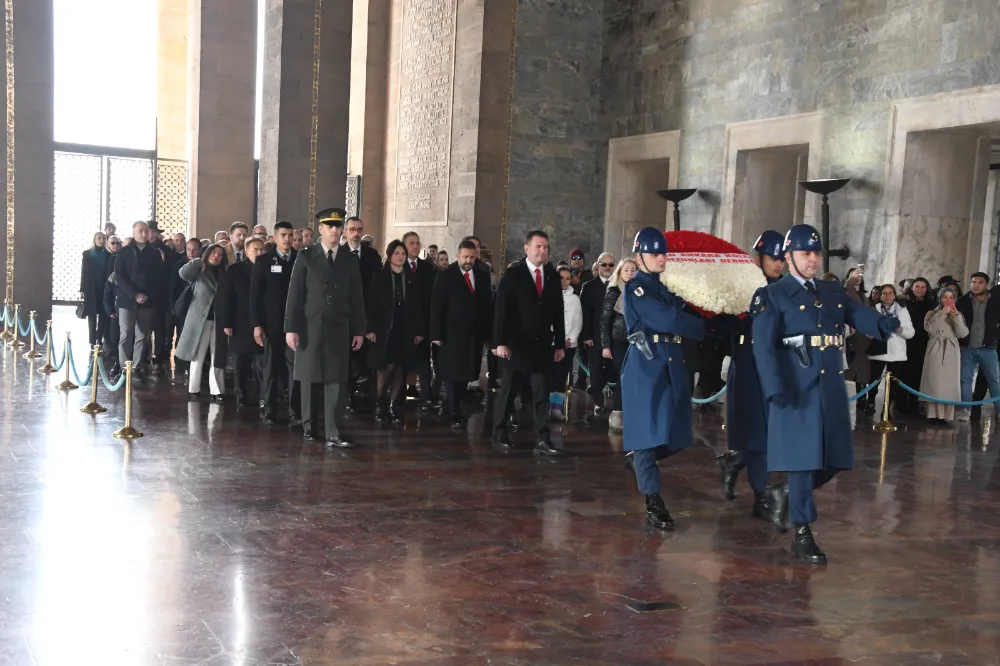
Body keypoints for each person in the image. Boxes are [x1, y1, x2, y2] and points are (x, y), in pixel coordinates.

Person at [753, 224, 898, 564]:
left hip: (830, 386)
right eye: (806, 253)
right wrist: (774, 388)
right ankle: (803, 532)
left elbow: (856, 312)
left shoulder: (831, 291)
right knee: (803, 463)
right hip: (795, 387)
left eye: (817, 253)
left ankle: (786, 494)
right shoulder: (772, 296)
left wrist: (880, 324)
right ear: (789, 258)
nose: (814, 259)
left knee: (835, 459)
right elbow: (764, 348)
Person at [619, 228, 706, 530]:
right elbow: (668, 319)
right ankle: (653, 501)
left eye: (663, 253)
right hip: (646, 365)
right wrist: (701, 328)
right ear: (640, 256)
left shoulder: (665, 287)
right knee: (646, 434)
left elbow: (683, 310)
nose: (660, 258)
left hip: (670, 362)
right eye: (654, 253)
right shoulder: (637, 288)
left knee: (677, 434)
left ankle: (640, 459)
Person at [284, 207, 366, 448]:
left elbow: (356, 297)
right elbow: (295, 295)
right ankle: (309, 426)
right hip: (310, 326)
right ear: (320, 229)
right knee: (309, 378)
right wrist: (291, 327)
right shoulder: (307, 256)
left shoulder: (349, 259)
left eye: (338, 226)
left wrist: (359, 329)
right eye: (329, 226)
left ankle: (333, 431)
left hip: (338, 327)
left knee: (336, 380)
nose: (334, 230)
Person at [717, 230, 785, 518]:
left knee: (767, 436)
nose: (779, 264)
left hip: (777, 368)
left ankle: (736, 462)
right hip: (749, 365)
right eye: (773, 258)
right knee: (759, 434)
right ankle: (760, 495)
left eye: (783, 258)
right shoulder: (745, 288)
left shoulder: (787, 289)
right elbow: (724, 326)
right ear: (759, 258)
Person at [491, 230, 565, 456]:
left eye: (546, 247)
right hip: (516, 345)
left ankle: (543, 437)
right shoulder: (513, 275)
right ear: (527, 248)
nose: (542, 251)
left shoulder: (552, 276)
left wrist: (560, 344)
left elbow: (558, 313)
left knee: (542, 392)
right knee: (509, 391)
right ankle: (499, 432)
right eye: (538, 247)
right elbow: (500, 312)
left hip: (542, 345)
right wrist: (500, 342)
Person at [430, 240, 493, 428]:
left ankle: (458, 405)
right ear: (457, 256)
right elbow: (437, 307)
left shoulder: (482, 276)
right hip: (451, 334)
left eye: (472, 257)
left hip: (474, 334)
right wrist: (436, 334)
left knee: (467, 371)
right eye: (465, 256)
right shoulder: (446, 276)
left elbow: (486, 306)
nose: (469, 260)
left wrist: (488, 333)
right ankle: (453, 409)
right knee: (451, 373)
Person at [365, 240, 426, 423]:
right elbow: (371, 304)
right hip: (384, 329)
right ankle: (381, 400)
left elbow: (417, 306)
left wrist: (419, 331)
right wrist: (370, 329)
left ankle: (394, 405)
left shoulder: (412, 277)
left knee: (400, 366)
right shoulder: (380, 276)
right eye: (397, 253)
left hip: (405, 327)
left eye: (403, 253)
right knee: (386, 366)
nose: (400, 256)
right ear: (390, 255)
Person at [251, 221, 300, 426]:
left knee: (295, 369)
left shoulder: (300, 259)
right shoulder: (263, 261)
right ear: (274, 237)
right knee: (270, 368)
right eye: (283, 235)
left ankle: (295, 412)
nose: (287, 239)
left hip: (295, 325)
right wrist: (257, 324)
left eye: (290, 235)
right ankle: (269, 409)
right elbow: (255, 296)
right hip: (271, 324)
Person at [175, 244, 228, 400]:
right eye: (213, 253)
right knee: (197, 354)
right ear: (207, 253)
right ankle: (194, 388)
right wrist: (198, 261)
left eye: (220, 254)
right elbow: (183, 273)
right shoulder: (199, 270)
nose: (216, 256)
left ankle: (217, 391)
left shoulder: (225, 273)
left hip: (219, 319)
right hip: (200, 318)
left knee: (217, 355)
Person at [114, 221, 166, 381]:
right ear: (134, 233)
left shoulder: (155, 253)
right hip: (127, 299)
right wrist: (135, 294)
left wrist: (147, 295)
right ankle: (124, 368)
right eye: (140, 231)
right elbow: (119, 276)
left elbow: (158, 278)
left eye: (146, 231)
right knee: (125, 335)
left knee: (142, 336)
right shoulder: (124, 252)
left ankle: (136, 367)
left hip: (148, 301)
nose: (144, 234)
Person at [220, 236, 265, 409]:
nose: (260, 252)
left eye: (262, 249)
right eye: (256, 249)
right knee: (241, 362)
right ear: (246, 252)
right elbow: (226, 298)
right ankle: (241, 394)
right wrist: (227, 322)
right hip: (240, 321)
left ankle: (263, 395)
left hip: (262, 322)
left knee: (261, 363)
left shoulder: (268, 268)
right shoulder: (234, 270)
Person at [342, 216, 382, 410]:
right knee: (347, 359)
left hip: (366, 313)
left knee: (362, 359)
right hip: (344, 315)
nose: (356, 233)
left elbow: (377, 289)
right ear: (345, 232)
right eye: (352, 229)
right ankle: (347, 394)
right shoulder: (338, 254)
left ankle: (361, 393)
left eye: (359, 229)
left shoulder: (372, 255)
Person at [402, 231, 439, 411]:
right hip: (403, 323)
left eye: (417, 243)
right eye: (411, 243)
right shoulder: (398, 266)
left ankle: (426, 397)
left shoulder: (428, 268)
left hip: (423, 322)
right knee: (402, 363)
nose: (415, 246)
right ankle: (398, 397)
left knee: (424, 362)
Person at [956, 272, 1000, 422]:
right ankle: (965, 410)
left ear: (986, 284)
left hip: (988, 348)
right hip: (967, 347)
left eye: (980, 282)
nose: (976, 285)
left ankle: (999, 410)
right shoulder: (962, 301)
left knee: (994, 380)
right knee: (965, 379)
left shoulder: (996, 300)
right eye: (973, 282)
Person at [920, 286, 968, 424]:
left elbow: (963, 334)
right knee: (934, 382)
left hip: (951, 350)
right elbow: (930, 328)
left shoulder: (958, 314)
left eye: (951, 297)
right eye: (944, 297)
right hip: (936, 349)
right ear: (940, 299)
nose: (948, 300)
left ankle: (946, 416)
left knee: (949, 383)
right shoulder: (931, 313)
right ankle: (932, 414)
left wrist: (955, 317)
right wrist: (942, 313)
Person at [600, 258, 638, 433]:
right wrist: (605, 345)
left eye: (633, 269)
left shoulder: (641, 291)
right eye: (627, 269)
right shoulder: (614, 291)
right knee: (623, 377)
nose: (630, 272)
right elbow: (605, 321)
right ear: (620, 273)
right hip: (619, 340)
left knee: (635, 378)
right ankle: (617, 412)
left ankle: (632, 412)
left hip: (638, 340)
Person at [865, 284, 914, 415]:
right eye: (884, 293)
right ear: (880, 296)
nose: (887, 296)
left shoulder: (902, 311)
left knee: (893, 382)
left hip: (897, 352)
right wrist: (881, 329)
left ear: (894, 295)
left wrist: (899, 330)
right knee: (874, 379)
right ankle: (870, 402)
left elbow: (911, 333)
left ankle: (886, 410)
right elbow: (867, 331)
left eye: (890, 293)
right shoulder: (874, 310)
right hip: (879, 350)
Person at [578, 252, 616, 413]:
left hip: (614, 335)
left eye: (610, 265)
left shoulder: (618, 286)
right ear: (598, 265)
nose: (607, 267)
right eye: (604, 264)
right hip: (594, 335)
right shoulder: (589, 286)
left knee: (612, 368)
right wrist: (586, 336)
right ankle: (598, 401)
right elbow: (584, 313)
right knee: (595, 368)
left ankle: (598, 389)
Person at [897, 278, 935, 415]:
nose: (920, 289)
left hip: (923, 343)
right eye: (917, 286)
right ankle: (900, 404)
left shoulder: (931, 304)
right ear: (912, 288)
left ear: (927, 289)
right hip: (906, 342)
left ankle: (914, 405)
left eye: (923, 287)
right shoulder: (903, 304)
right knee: (903, 375)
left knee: (918, 375)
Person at [549, 266, 583, 422]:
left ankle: (556, 408)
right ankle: (545, 407)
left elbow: (578, 321)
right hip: (550, 342)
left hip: (568, 344)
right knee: (549, 375)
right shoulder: (548, 295)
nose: (564, 281)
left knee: (561, 376)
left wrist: (571, 338)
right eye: (561, 278)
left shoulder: (574, 299)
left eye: (567, 278)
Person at [169, 239, 202, 376]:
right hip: (183, 305)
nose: (191, 252)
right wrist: (173, 306)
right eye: (188, 249)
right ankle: (180, 362)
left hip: (198, 306)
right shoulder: (179, 264)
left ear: (199, 250)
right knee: (182, 333)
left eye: (194, 249)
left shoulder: (203, 265)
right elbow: (173, 287)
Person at [80, 231, 112, 348]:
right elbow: (84, 271)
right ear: (94, 239)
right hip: (91, 288)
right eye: (99, 238)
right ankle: (92, 340)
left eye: (103, 238)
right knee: (92, 315)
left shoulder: (108, 255)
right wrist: (82, 289)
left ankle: (99, 337)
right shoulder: (87, 254)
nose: (101, 240)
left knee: (103, 314)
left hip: (103, 287)